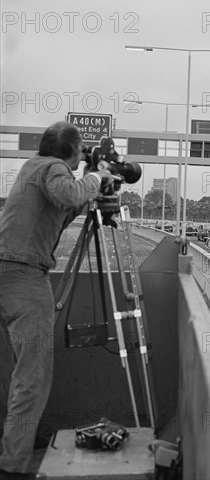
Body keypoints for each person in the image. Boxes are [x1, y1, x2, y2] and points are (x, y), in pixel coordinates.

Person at [0, 121, 113, 477]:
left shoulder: (31, 168)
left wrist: (91, 189)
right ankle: (14, 465)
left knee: (16, 371)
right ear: (69, 151)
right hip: (23, 277)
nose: (83, 159)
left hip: (9, 272)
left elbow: (61, 212)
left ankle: (13, 451)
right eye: (81, 152)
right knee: (31, 377)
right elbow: (67, 193)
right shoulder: (53, 169)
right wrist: (96, 179)